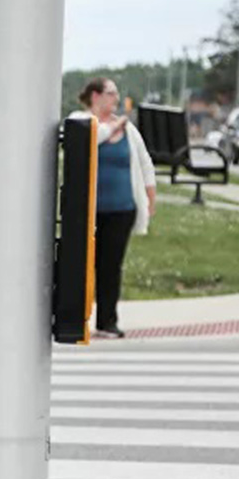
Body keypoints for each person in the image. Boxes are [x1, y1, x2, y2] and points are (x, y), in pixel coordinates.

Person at [78, 77, 155, 338]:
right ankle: (75, 317)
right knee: (83, 262)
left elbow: (145, 164)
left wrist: (149, 197)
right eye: (111, 93)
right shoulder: (81, 120)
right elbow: (93, 137)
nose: (116, 99)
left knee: (111, 265)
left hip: (121, 208)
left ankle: (107, 320)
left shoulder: (129, 131)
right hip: (88, 210)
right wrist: (114, 125)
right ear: (96, 96)